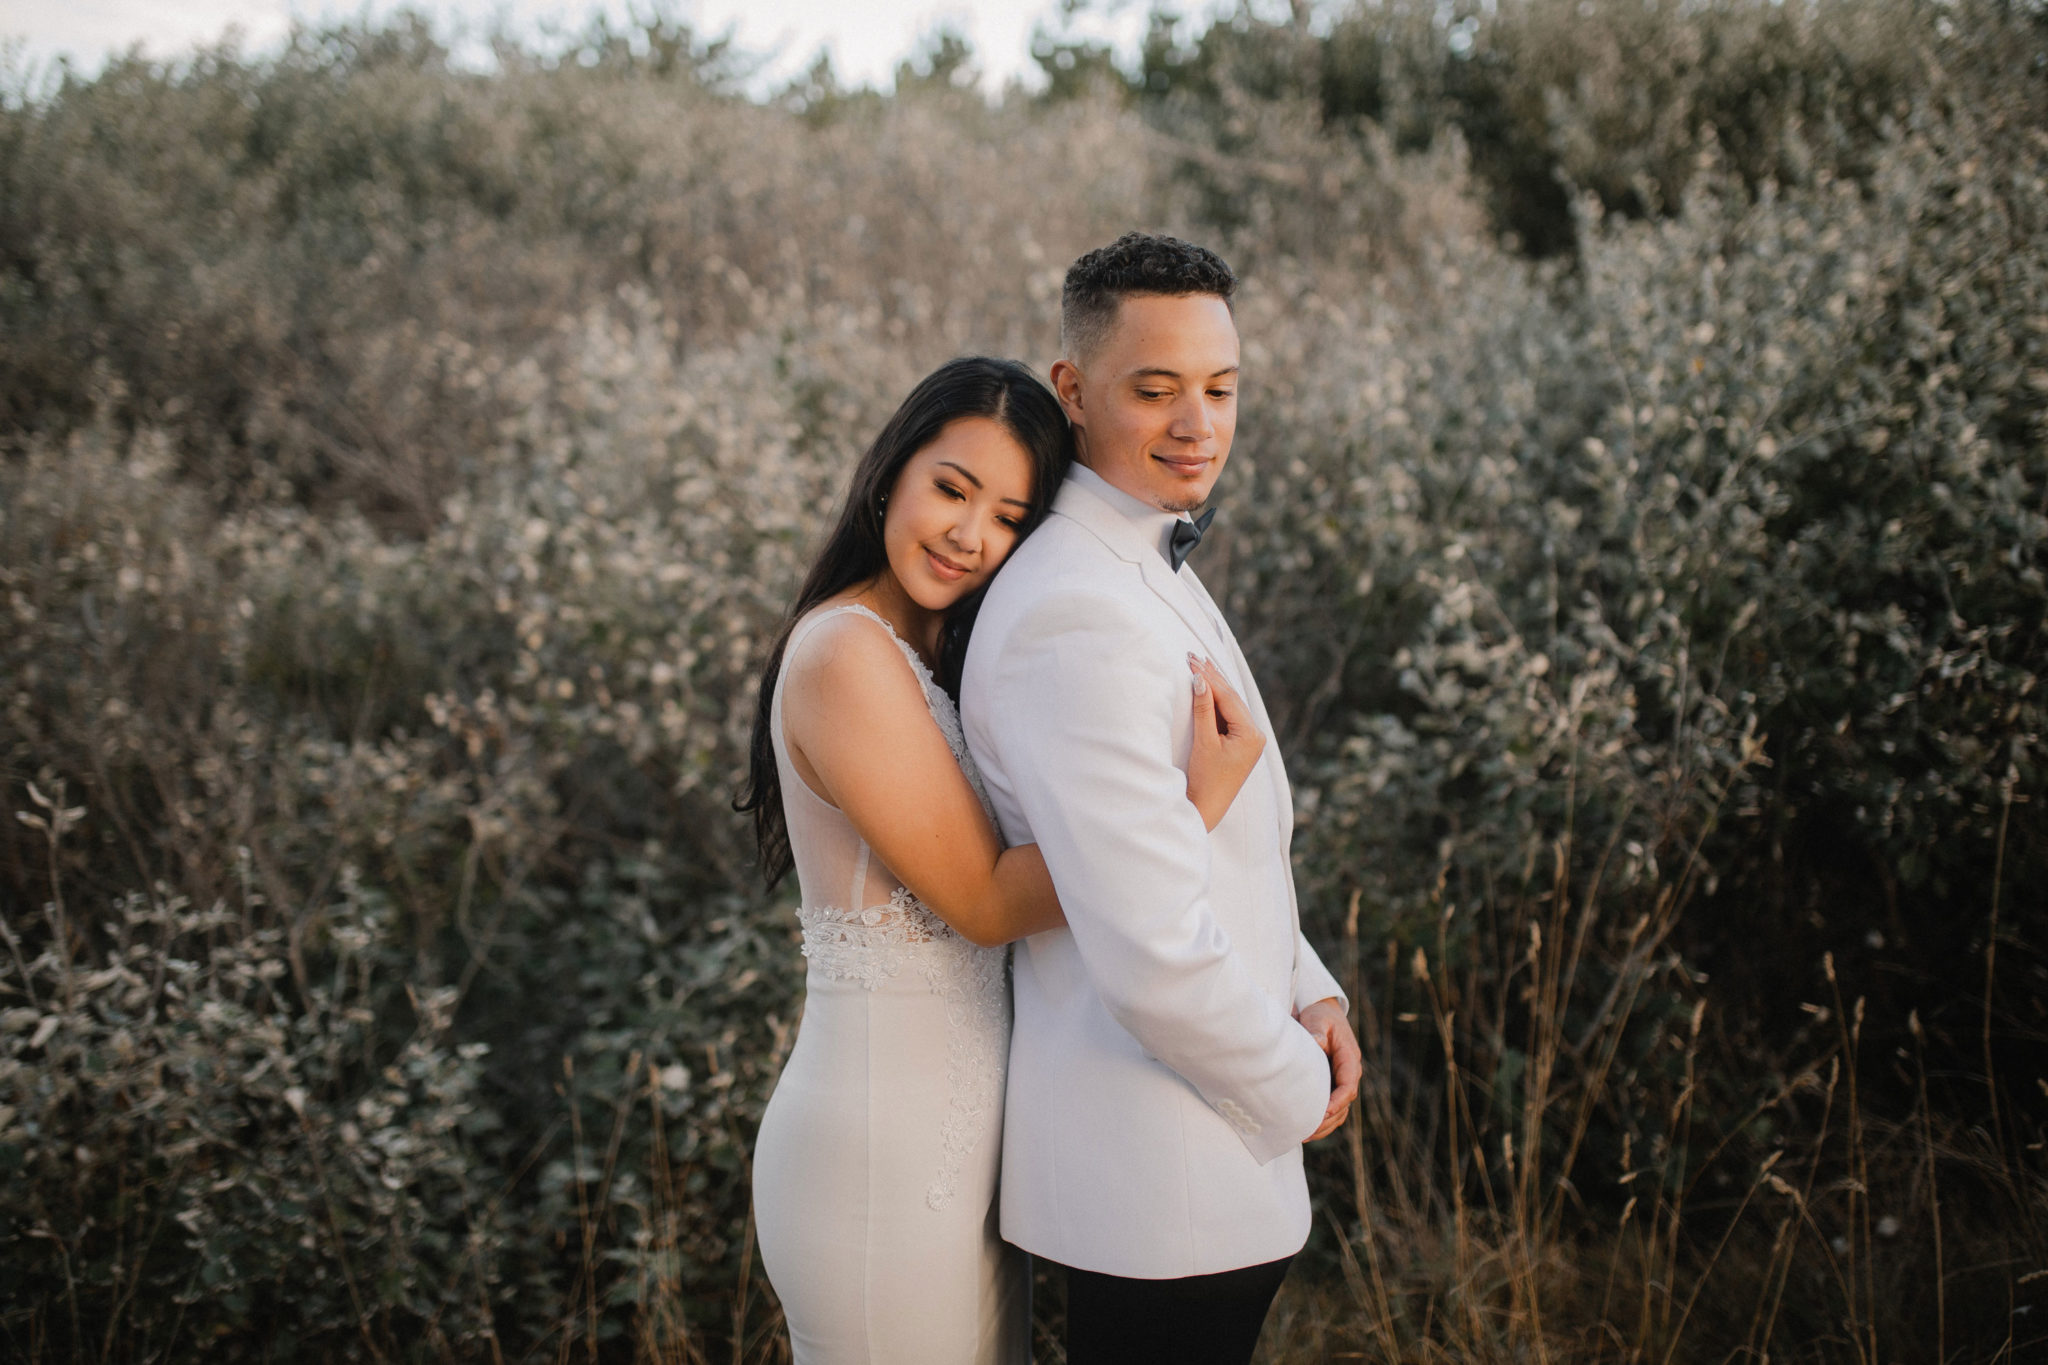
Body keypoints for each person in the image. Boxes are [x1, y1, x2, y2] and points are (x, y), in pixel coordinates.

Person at [738, 355, 1273, 1363]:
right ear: (889, 473)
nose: (966, 535)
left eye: (1006, 518)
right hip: (876, 1160)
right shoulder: (843, 655)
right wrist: (1186, 803)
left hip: (966, 1158)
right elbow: (984, 901)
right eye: (949, 489)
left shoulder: (934, 653)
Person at [960, 233, 1364, 1365]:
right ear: (1074, 392)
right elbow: (1146, 944)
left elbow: (1220, 840)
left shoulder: (1140, 561)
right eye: (1156, 390)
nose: (1198, 424)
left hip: (1199, 1165)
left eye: (1219, 388)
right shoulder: (1071, 608)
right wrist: (1292, 1090)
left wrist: (1308, 989)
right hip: (1157, 1179)